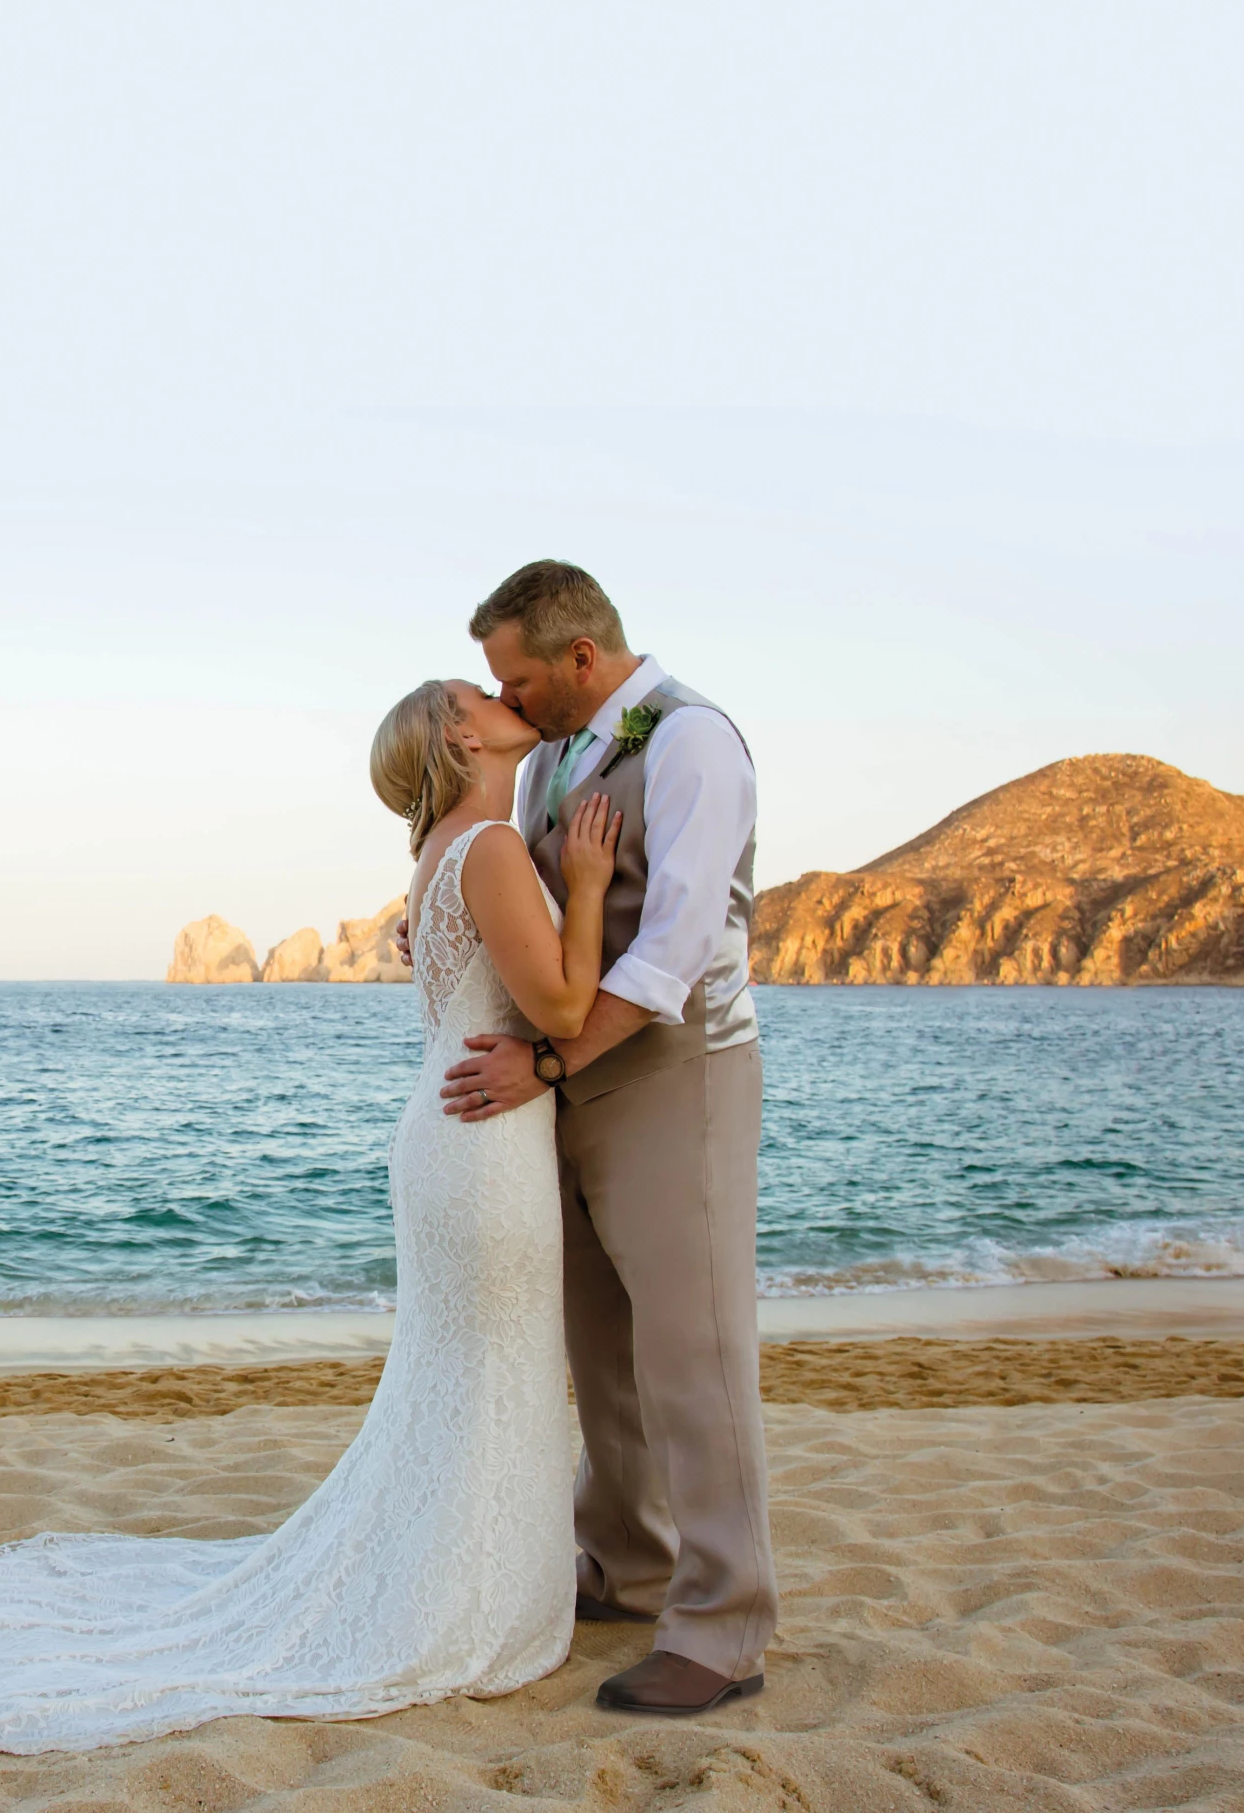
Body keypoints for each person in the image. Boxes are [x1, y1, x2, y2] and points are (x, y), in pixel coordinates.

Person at [0, 677, 619, 1752]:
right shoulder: (488, 851)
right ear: (459, 736)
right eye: (475, 693)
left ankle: (471, 1577)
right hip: (482, 1144)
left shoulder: (445, 855)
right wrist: (588, 883)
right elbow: (558, 1008)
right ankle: (473, 1595)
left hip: (454, 1135)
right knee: (488, 1363)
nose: (501, 695)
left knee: (467, 1369)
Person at [429, 558, 777, 1715]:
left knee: (696, 1354)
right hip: (565, 1087)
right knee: (605, 1357)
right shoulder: (559, 763)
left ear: (581, 658)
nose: (512, 703)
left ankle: (723, 1628)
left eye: (520, 681)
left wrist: (546, 1060)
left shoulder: (691, 741)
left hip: (677, 1077)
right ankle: (627, 1568)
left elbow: (676, 945)